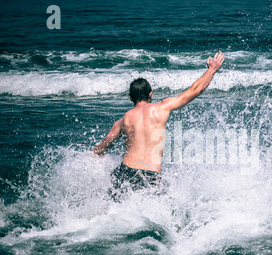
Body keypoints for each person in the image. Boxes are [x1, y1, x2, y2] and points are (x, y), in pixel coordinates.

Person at [92, 52, 225, 199]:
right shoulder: (161, 108)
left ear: (130, 98)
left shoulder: (122, 121)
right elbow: (195, 90)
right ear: (150, 94)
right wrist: (212, 70)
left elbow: (100, 150)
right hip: (149, 176)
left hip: (125, 172)